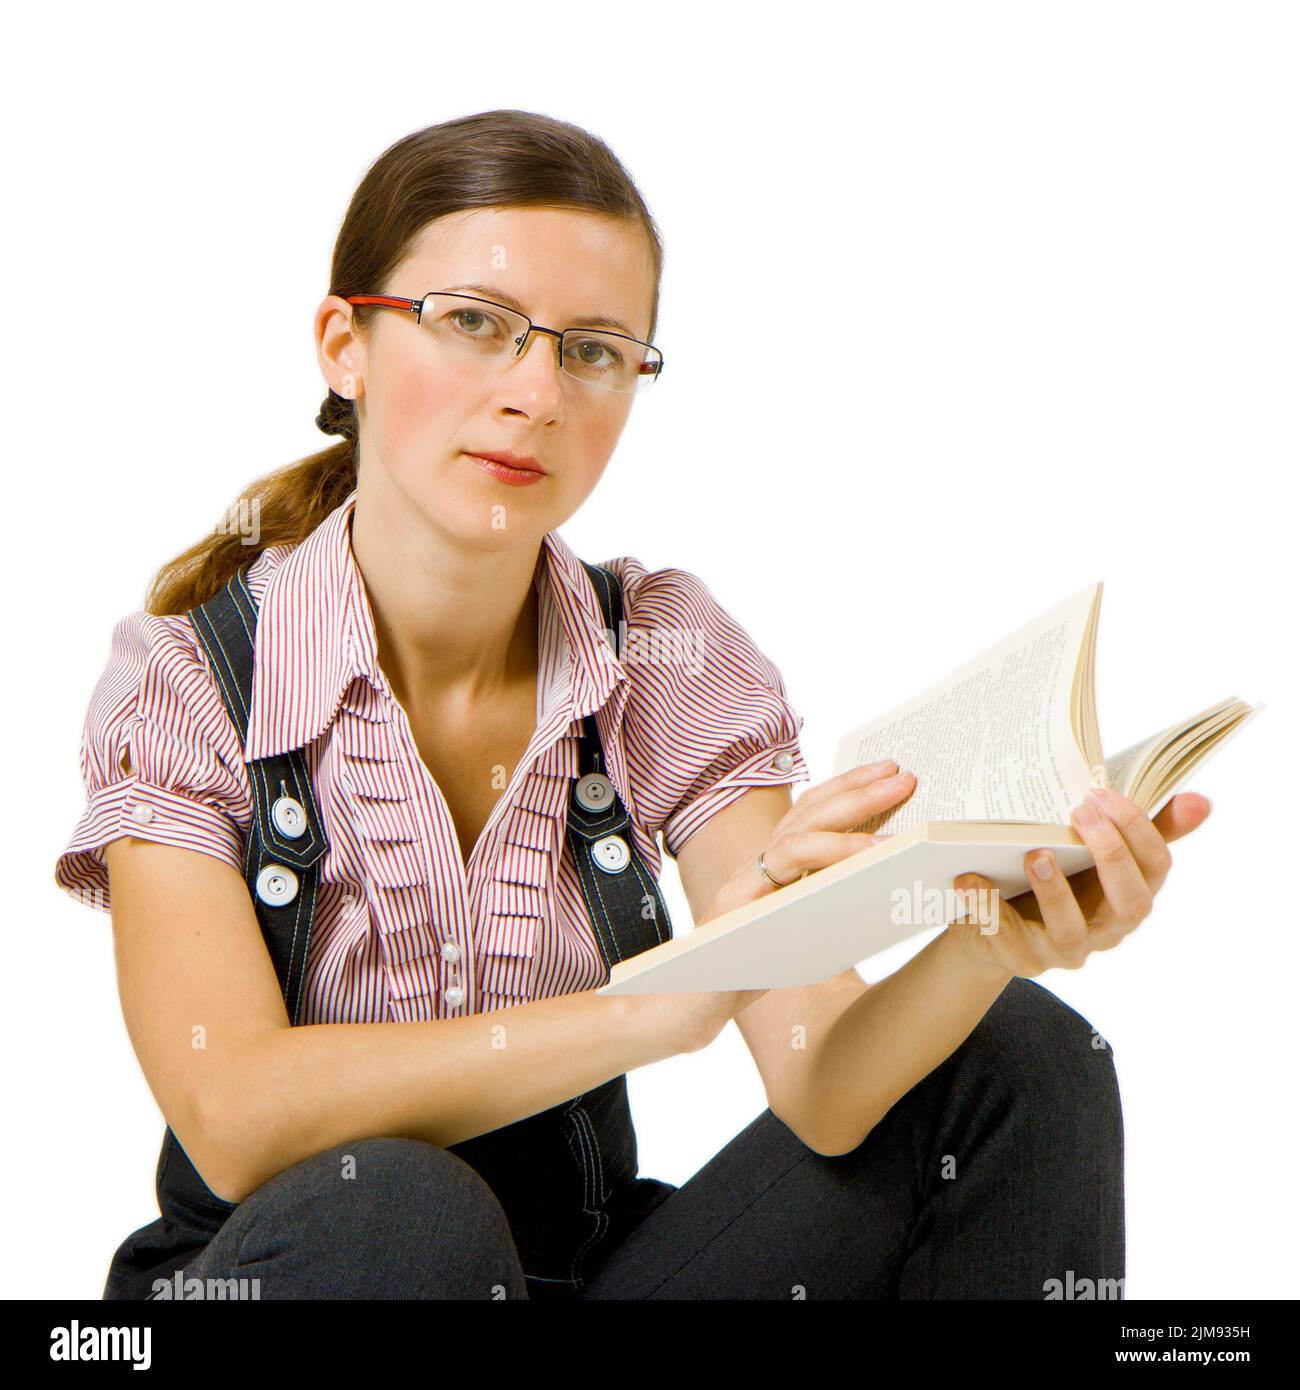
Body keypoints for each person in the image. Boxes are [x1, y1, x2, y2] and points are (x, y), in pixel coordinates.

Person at [53, 108, 1211, 1301]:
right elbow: (236, 1110)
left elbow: (820, 1079)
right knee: (401, 1209)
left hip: (586, 1276)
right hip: (295, 1274)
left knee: (1017, 1054)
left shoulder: (659, 651)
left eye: (594, 350)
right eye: (474, 324)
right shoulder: (186, 682)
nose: (536, 392)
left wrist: (984, 938)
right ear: (344, 344)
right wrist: (663, 1002)